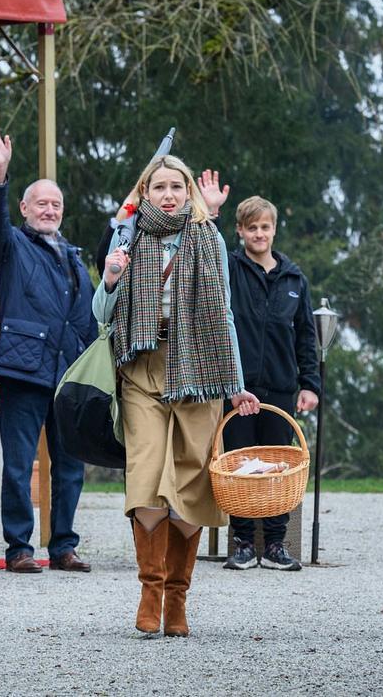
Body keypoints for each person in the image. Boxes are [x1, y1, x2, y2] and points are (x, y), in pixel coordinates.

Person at [94, 154, 260, 637]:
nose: (168, 194)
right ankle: (150, 590)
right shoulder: (128, 237)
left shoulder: (208, 240)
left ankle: (178, 599)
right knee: (144, 476)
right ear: (144, 193)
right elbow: (99, 314)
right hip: (142, 366)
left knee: (191, 482)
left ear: (188, 192)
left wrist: (235, 383)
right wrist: (109, 279)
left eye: (176, 186)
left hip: (199, 370)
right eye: (159, 186)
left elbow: (224, 314)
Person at [0, 126, 98, 574]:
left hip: (68, 374)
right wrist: (0, 173)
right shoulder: (10, 244)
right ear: (25, 208)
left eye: (56, 204)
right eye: (41, 203)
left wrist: (92, 366)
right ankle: (19, 549)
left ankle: (64, 545)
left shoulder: (72, 256)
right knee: (18, 463)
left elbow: (84, 319)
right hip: (23, 369)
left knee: (70, 466)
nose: (49, 210)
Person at [222, 195, 320, 572]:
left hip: (280, 388)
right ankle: (244, 543)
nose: (259, 234)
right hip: (237, 388)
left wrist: (309, 384)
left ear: (274, 230)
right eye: (251, 227)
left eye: (265, 227)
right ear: (240, 230)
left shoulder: (295, 279)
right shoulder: (229, 268)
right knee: (240, 465)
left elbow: (305, 338)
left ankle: (277, 544)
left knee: (278, 464)